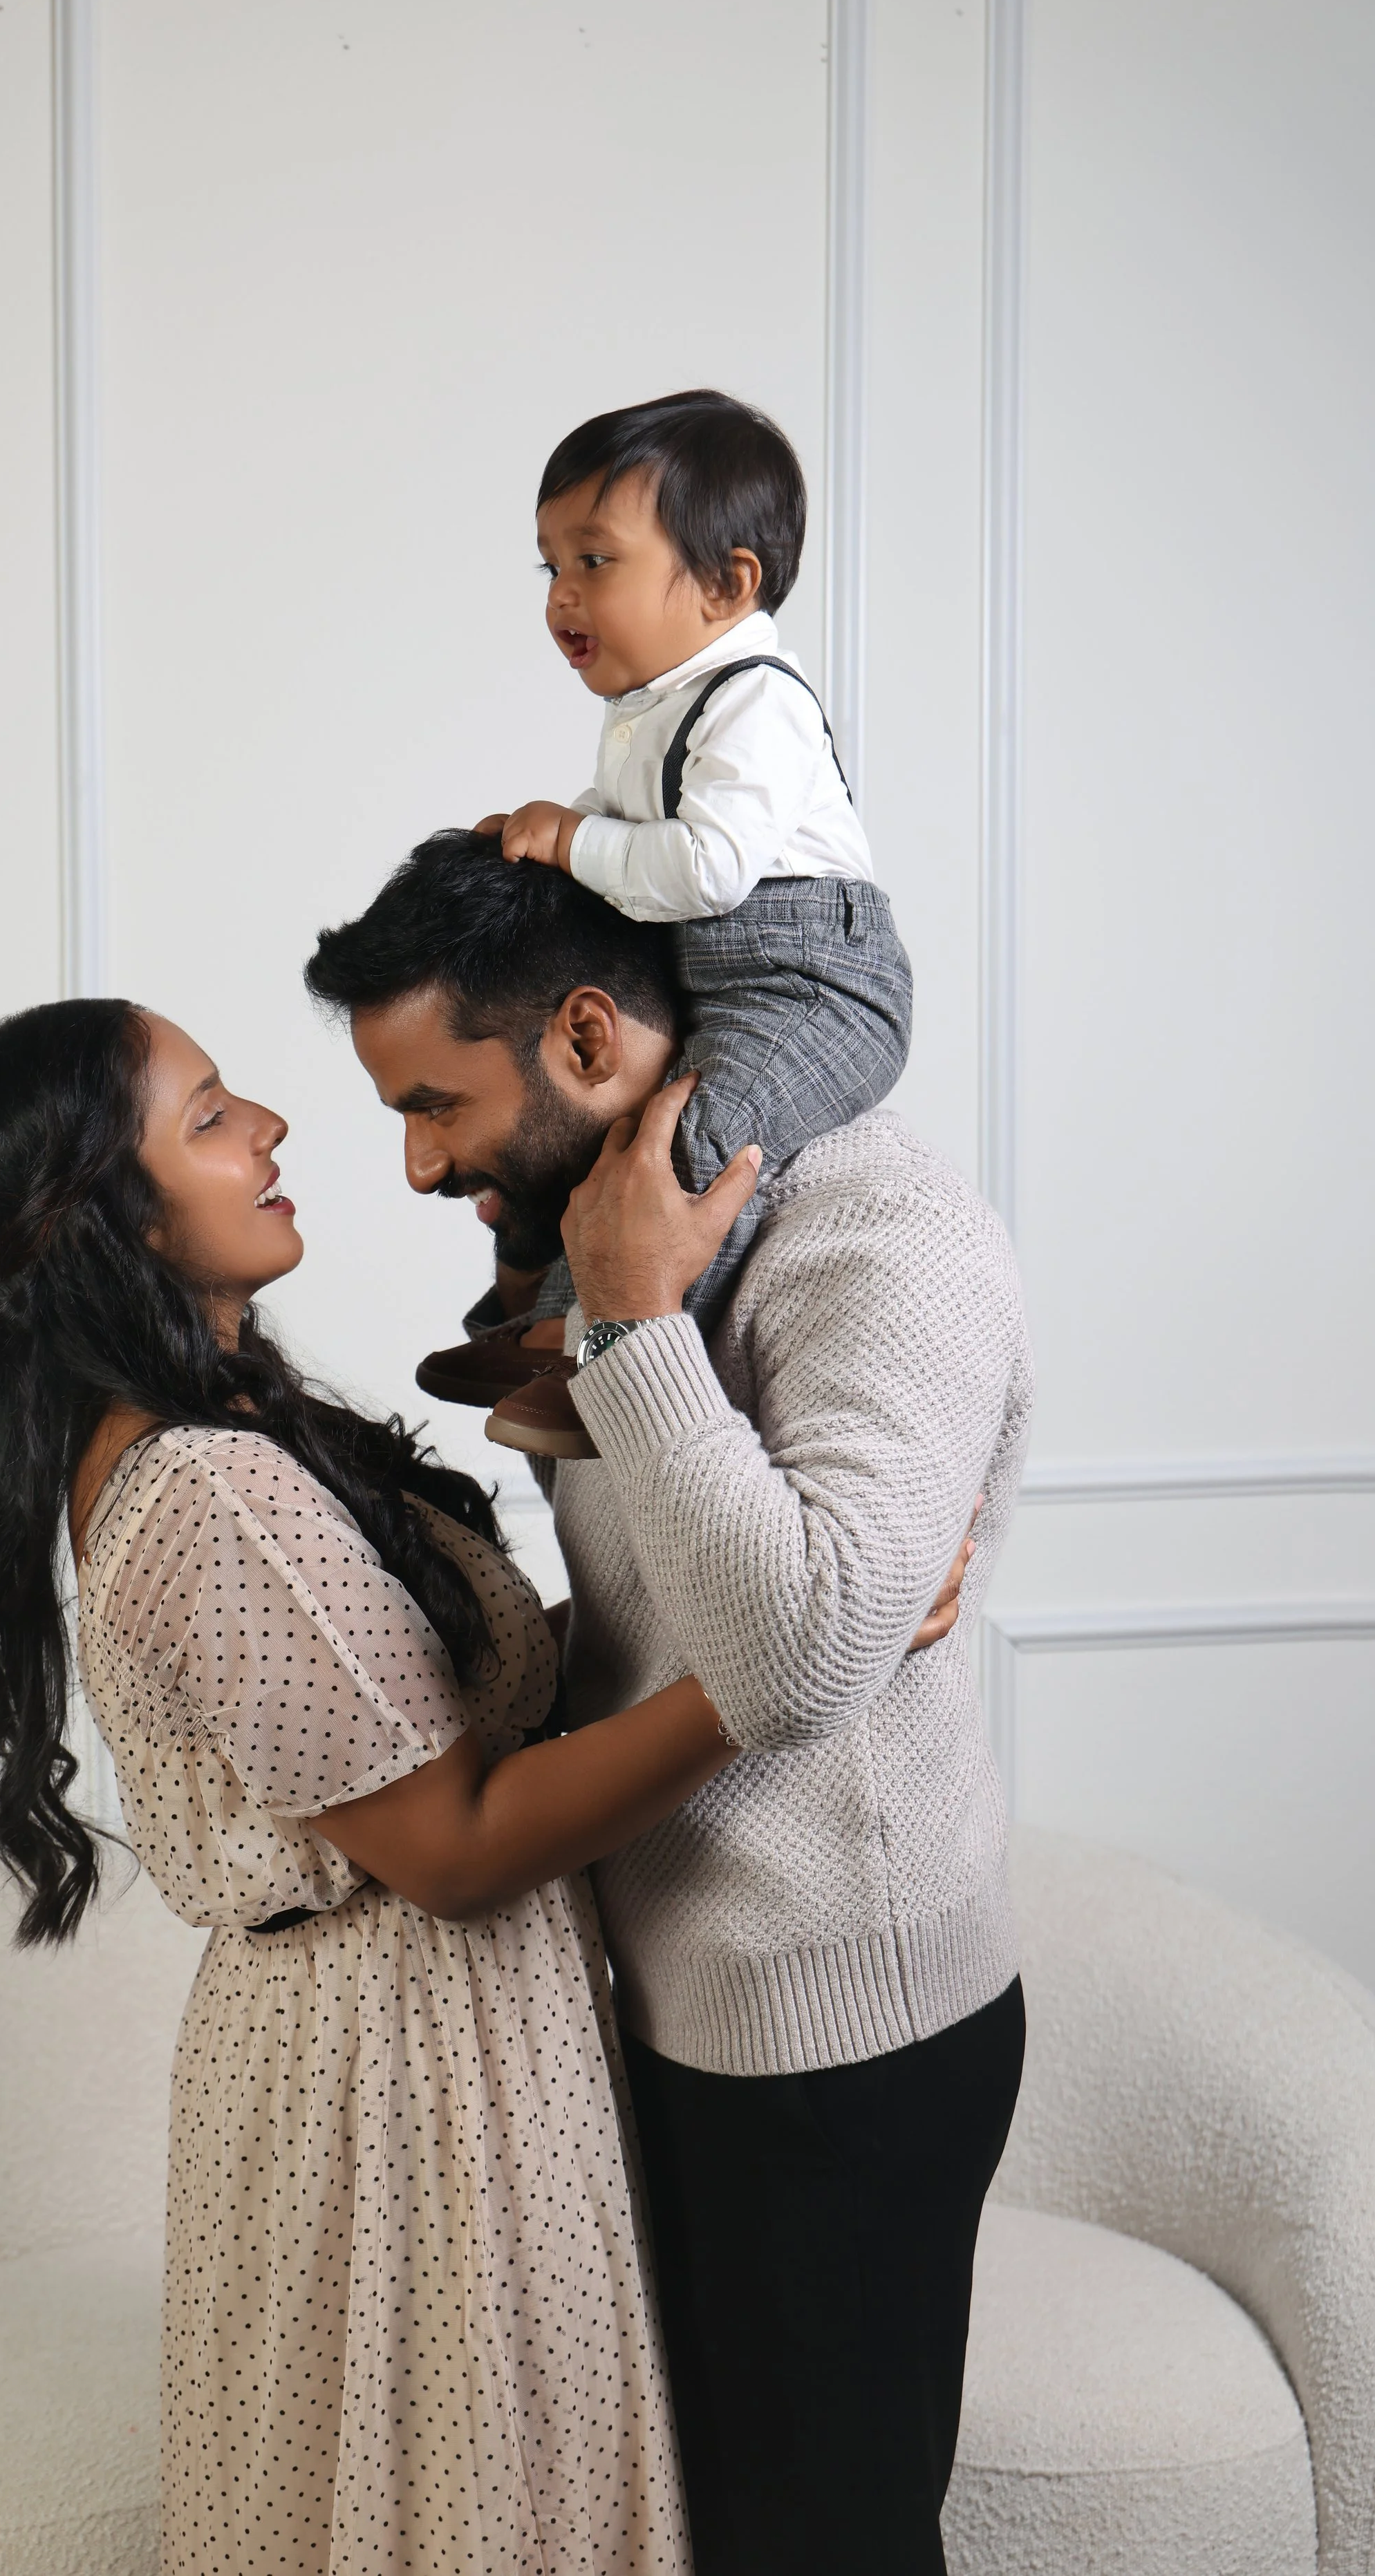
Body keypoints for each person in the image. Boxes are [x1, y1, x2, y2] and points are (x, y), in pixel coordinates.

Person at [0, 995, 975, 2576]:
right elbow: (453, 1840)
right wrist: (795, 1651)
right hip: (396, 2077)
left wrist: (772, 1595)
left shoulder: (226, 1431)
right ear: (104, 1218)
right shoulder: (210, 1490)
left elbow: (416, 1710)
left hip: (428, 2042)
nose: (266, 1127)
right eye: (206, 1115)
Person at [306, 838, 1034, 2576]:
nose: (415, 1163)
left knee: (824, 2547)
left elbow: (787, 1672)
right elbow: (692, 1611)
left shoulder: (872, 1224)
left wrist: (633, 1320)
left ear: (579, 1033)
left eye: (432, 1103)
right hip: (680, 2002)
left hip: (842, 2041)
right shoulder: (603, 1234)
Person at [416, 388, 913, 1460]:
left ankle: (600, 1357)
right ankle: (542, 1320)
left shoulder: (754, 701)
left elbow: (706, 865)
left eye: (595, 561)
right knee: (601, 1142)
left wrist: (571, 842)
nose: (560, 597)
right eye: (548, 567)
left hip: (816, 984)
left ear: (729, 583)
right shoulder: (653, 706)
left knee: (689, 1148)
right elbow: (623, 827)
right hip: (722, 978)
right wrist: (549, 839)